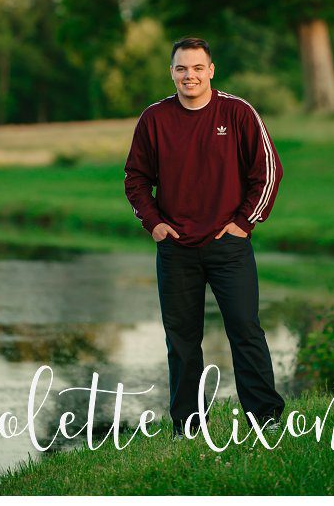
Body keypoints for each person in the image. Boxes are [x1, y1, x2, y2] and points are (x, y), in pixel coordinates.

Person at [123, 37, 284, 437]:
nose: (189, 76)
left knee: (245, 329)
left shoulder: (238, 112)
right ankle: (188, 425)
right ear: (171, 72)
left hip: (228, 245)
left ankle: (265, 418)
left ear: (211, 70)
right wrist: (154, 223)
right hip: (175, 248)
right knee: (181, 340)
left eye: (197, 68)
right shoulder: (155, 118)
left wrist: (244, 223)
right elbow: (135, 178)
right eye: (181, 68)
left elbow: (268, 171)